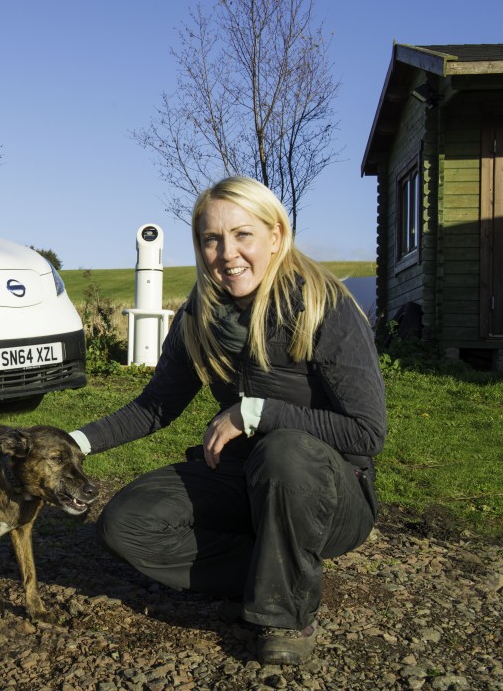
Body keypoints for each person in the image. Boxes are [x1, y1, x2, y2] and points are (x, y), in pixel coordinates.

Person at [70, 176, 386, 665]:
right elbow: (154, 407)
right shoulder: (200, 316)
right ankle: (280, 570)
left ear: (276, 236)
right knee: (124, 524)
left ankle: (285, 615)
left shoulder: (324, 304)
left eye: (243, 235)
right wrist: (70, 443)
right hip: (243, 479)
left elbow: (367, 432)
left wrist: (257, 411)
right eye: (211, 239)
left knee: (285, 449)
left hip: (330, 491)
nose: (227, 252)